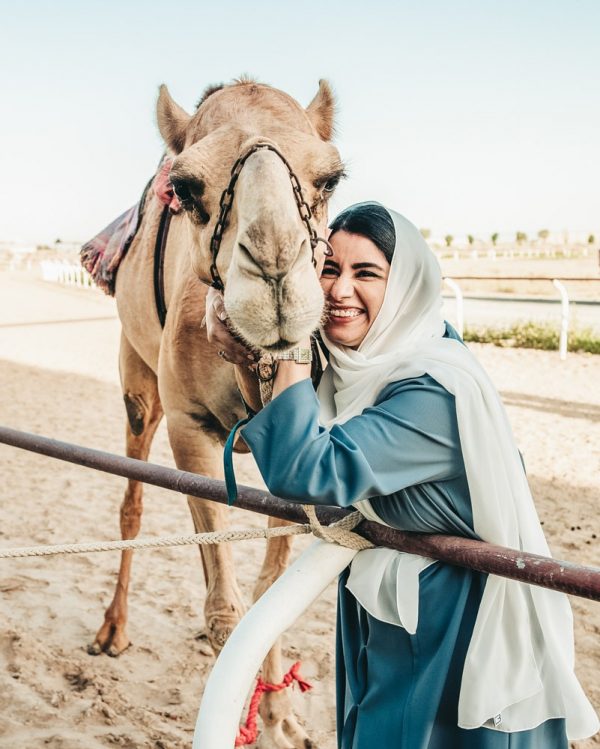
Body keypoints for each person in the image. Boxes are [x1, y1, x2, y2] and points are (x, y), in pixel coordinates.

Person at [206, 203, 598, 748]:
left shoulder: (431, 389)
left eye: (366, 273)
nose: (340, 290)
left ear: (406, 286)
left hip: (451, 614)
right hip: (388, 598)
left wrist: (289, 341)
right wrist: (252, 356)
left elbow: (306, 469)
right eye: (327, 269)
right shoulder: (367, 364)